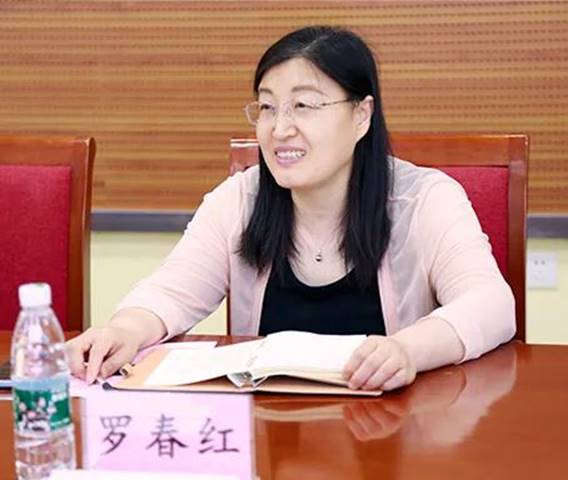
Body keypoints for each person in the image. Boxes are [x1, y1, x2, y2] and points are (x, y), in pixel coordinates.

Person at [67, 26, 515, 391]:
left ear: (361, 115)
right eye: (267, 107)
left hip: (391, 432)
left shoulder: (424, 200)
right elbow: (170, 292)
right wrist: (124, 330)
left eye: (303, 105)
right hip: (268, 436)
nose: (280, 128)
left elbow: (491, 304)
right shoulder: (238, 200)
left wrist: (406, 350)